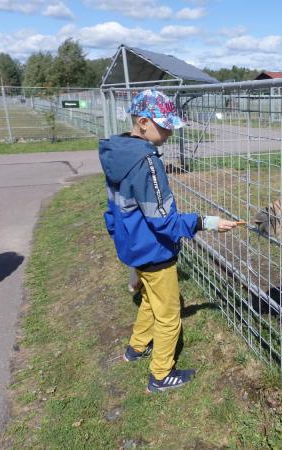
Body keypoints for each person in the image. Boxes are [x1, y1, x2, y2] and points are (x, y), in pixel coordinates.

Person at [99, 89, 239, 393]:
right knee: (169, 314)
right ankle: (161, 374)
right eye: (165, 125)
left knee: (149, 299)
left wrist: (122, 243)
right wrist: (207, 222)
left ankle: (136, 347)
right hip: (154, 251)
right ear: (144, 122)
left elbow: (112, 211)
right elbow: (163, 220)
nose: (170, 131)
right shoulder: (147, 163)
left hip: (134, 246)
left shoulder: (118, 154)